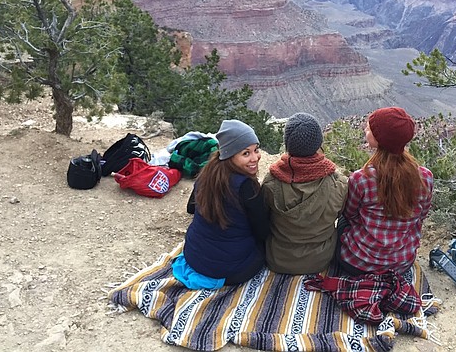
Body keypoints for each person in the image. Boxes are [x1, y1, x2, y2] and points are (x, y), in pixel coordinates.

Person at [173, 119, 270, 289]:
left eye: (256, 150)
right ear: (230, 155)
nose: (255, 158)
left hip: (193, 257)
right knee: (264, 249)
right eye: (246, 153)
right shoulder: (246, 187)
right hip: (229, 271)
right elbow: (262, 231)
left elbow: (191, 208)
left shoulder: (207, 172)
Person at [337, 107, 433, 276]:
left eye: (370, 128)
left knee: (342, 221)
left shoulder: (361, 178)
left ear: (380, 139)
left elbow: (350, 214)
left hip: (359, 263)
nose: (366, 128)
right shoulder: (425, 177)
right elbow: (421, 215)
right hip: (401, 264)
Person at [262, 113, 347, 274]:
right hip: (321, 260)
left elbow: (264, 219)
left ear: (287, 143)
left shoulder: (271, 183)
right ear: (318, 143)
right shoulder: (339, 183)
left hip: (279, 259)